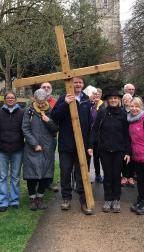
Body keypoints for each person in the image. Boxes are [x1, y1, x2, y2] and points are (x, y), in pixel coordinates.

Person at [52, 76, 93, 215]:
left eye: (80, 82)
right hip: (67, 144)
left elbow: (91, 124)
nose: (78, 84)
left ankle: (83, 200)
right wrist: (64, 103)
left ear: (83, 84)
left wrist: (90, 144)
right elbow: (55, 117)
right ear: (70, 83)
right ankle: (66, 198)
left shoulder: (87, 100)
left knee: (82, 173)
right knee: (65, 172)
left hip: (83, 144)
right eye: (75, 82)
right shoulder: (63, 98)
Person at [89, 89, 130, 213]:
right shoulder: (102, 112)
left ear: (119, 100)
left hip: (119, 150)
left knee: (116, 174)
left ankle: (116, 198)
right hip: (104, 149)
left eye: (116, 98)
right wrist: (90, 145)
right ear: (108, 100)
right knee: (107, 174)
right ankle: (108, 198)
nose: (113, 100)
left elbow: (127, 134)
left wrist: (128, 152)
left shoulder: (123, 114)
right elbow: (95, 130)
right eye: (111, 98)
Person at [22, 89, 58, 211]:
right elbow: (25, 129)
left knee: (45, 173)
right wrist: (34, 144)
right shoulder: (29, 111)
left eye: (43, 102)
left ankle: (40, 198)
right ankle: (32, 198)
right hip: (32, 147)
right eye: (39, 102)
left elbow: (55, 129)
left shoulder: (51, 111)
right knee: (31, 174)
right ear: (35, 100)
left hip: (47, 147)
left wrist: (48, 121)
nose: (41, 104)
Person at [0, 91, 24, 212]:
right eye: (8, 98)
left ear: (16, 99)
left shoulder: (22, 113)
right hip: (2, 150)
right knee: (2, 177)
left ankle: (14, 200)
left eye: (12, 97)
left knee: (15, 177)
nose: (10, 99)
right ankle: (3, 202)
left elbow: (25, 129)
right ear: (4, 100)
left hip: (18, 149)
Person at [40, 82, 58, 192]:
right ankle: (38, 181)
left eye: (48, 87)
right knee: (38, 160)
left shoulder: (55, 103)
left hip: (51, 136)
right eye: (44, 87)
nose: (46, 89)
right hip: (37, 137)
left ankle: (48, 182)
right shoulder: (34, 102)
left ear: (51, 89)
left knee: (50, 160)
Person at [121, 93, 135, 187]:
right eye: (124, 99)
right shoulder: (121, 111)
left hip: (134, 136)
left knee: (133, 157)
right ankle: (124, 176)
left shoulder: (134, 110)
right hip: (124, 137)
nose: (126, 100)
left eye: (128, 99)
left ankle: (131, 177)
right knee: (124, 157)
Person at [92, 87, 105, 183]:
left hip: (103, 134)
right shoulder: (90, 105)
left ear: (101, 95)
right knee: (96, 156)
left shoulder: (104, 105)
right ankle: (97, 174)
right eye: (95, 94)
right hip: (93, 134)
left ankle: (106, 174)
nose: (96, 96)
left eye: (98, 94)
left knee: (104, 156)